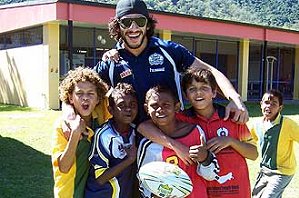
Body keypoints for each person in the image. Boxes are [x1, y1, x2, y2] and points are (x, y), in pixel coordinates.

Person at [64, 0, 248, 165]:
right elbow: (75, 87)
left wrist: (235, 99)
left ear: (148, 25)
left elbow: (210, 72)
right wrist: (70, 116)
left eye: (140, 22)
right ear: (118, 27)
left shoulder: (168, 50)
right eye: (127, 22)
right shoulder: (112, 62)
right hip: (134, 141)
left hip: (178, 134)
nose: (134, 28)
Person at [139, 67, 258, 198]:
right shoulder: (182, 119)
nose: (198, 93)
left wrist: (230, 141)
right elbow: (143, 127)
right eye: (192, 89)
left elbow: (254, 154)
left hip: (237, 190)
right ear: (186, 95)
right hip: (205, 191)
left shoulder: (232, 117)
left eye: (204, 88)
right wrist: (176, 146)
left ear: (214, 92)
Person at [137, 85, 216, 198]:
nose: (160, 109)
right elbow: (143, 180)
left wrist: (205, 158)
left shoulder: (195, 132)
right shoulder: (148, 145)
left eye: (166, 105)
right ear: (146, 109)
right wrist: (156, 194)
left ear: (177, 106)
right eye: (154, 106)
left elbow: (211, 175)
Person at [51, 67, 109, 198]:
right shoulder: (61, 126)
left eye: (90, 93)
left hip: (93, 192)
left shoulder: (100, 118)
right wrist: (75, 134)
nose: (85, 98)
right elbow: (63, 167)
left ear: (98, 99)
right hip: (69, 193)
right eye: (79, 93)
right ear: (70, 98)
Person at [85, 83, 139, 198]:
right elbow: (100, 179)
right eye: (121, 105)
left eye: (132, 105)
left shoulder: (137, 132)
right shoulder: (104, 135)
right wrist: (129, 160)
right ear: (111, 110)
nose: (128, 109)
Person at [250, 89, 299, 198]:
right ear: (261, 104)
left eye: (274, 104)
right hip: (265, 170)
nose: (269, 106)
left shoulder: (287, 124)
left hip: (283, 171)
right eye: (266, 103)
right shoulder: (257, 124)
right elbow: (249, 140)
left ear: (280, 108)